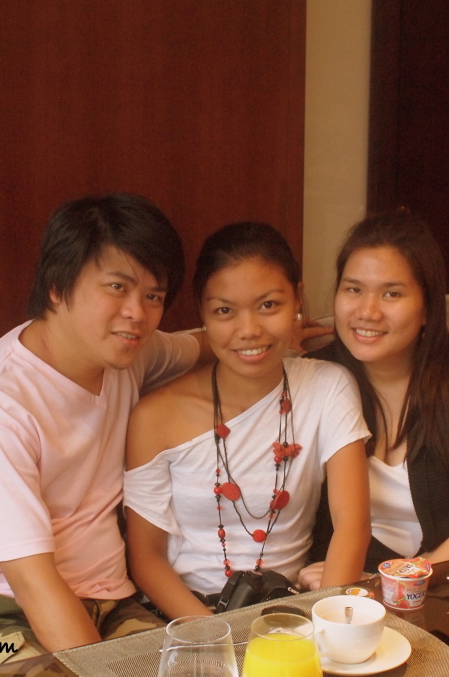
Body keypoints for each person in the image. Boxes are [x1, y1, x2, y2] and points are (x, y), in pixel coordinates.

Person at [0, 193, 213, 674]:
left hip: (108, 603)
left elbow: (202, 344)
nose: (137, 313)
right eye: (117, 287)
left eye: (153, 296)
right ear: (57, 286)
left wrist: (272, 334)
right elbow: (34, 585)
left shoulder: (129, 355)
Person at [124, 221, 371, 620]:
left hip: (292, 613)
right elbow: (146, 559)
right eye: (225, 311)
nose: (250, 330)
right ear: (203, 313)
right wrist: (216, 638)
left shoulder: (328, 387)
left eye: (269, 305)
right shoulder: (153, 417)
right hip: (184, 617)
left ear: (297, 299)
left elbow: (352, 526)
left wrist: (326, 624)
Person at [305, 208, 449, 575]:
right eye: (353, 289)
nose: (367, 311)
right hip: (340, 587)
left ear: (427, 308)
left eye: (391, 294)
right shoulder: (312, 379)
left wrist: (395, 581)